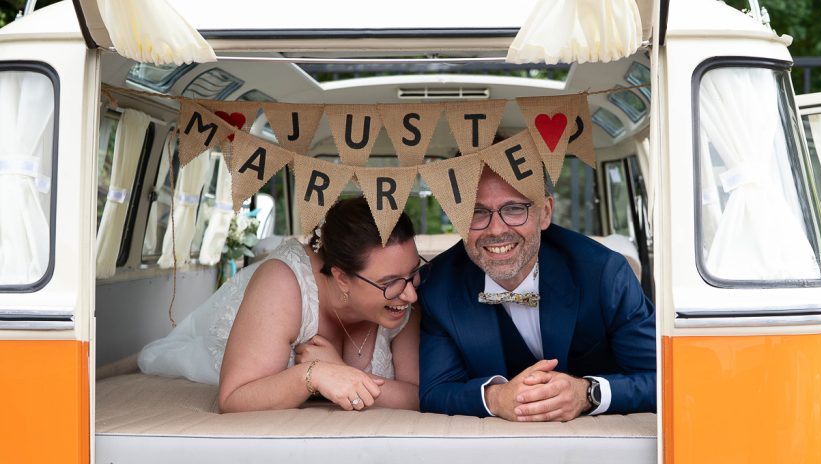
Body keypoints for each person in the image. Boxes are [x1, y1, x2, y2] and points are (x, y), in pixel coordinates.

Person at [138, 198, 425, 413]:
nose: (411, 295)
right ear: (341, 278)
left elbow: (419, 395)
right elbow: (233, 398)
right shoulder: (284, 284)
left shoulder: (401, 297)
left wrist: (343, 372)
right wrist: (313, 374)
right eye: (390, 283)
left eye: (413, 273)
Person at [418, 167, 656, 421]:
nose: (496, 230)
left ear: (545, 213)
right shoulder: (437, 286)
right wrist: (495, 398)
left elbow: (662, 377)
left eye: (514, 209)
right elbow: (435, 392)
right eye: (477, 212)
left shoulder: (603, 273)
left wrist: (587, 393)